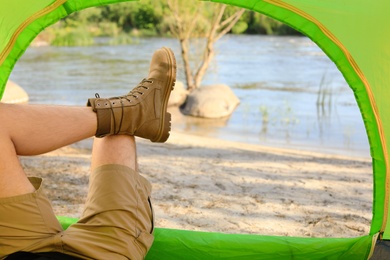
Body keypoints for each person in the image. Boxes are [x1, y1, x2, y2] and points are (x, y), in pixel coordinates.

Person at [0, 47, 176, 260]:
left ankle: (131, 112)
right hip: (95, 255)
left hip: (18, 249)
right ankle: (132, 113)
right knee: (116, 132)